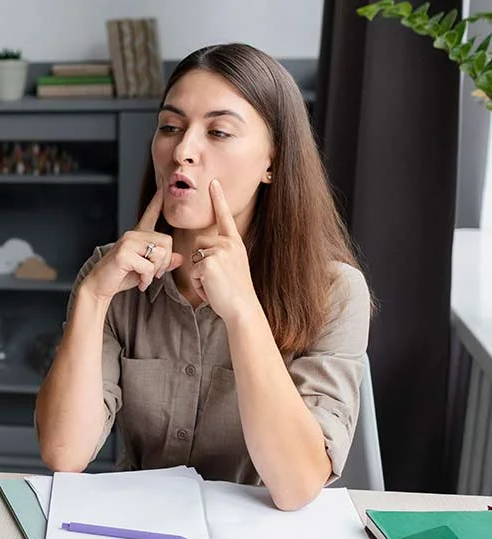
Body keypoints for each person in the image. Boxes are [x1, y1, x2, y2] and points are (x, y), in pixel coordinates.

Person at [35, 43, 371, 511]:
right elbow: (64, 453)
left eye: (218, 132)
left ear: (272, 161)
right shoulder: (111, 276)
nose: (183, 151)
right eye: (170, 127)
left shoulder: (335, 292)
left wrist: (242, 311)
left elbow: (297, 486)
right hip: (136, 535)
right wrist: (93, 297)